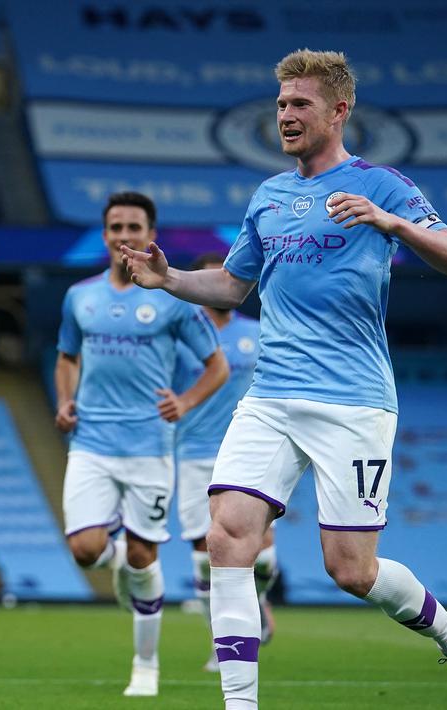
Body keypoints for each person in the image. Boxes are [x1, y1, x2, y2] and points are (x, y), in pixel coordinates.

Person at [122, 49, 447, 710]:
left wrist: (391, 224)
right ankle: (239, 706)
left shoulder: (381, 185)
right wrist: (171, 279)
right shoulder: (268, 197)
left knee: (350, 571)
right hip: (269, 396)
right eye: (280, 105)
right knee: (225, 534)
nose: (286, 116)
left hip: (351, 401)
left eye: (299, 104)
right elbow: (232, 284)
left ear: (338, 110)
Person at [54, 191, 228, 698]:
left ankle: (146, 665)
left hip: (150, 446)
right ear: (105, 235)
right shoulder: (79, 297)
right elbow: (67, 355)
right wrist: (65, 399)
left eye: (134, 227)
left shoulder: (172, 298)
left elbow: (215, 365)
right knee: (85, 551)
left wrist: (186, 402)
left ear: (149, 234)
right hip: (90, 442)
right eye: (116, 227)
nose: (124, 236)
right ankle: (114, 558)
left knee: (142, 554)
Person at [171, 253, 277, 673]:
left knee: (263, 559)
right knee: (204, 552)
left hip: (250, 450)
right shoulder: (182, 335)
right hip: (194, 452)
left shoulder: (260, 332)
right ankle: (223, 641)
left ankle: (259, 598)